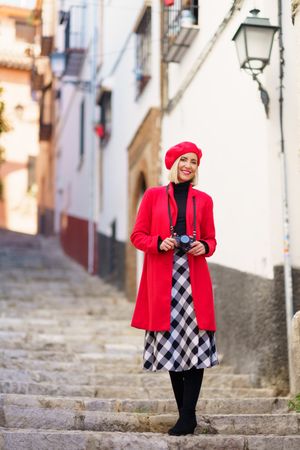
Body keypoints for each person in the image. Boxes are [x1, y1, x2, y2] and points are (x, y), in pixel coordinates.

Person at [130, 141, 218, 436]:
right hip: (163, 279)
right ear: (173, 164)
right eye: (184, 160)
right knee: (172, 346)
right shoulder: (153, 196)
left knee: (195, 344)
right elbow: (137, 235)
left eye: (193, 161)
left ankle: (188, 416)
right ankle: (185, 416)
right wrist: (158, 242)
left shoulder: (204, 200)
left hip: (193, 278)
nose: (188, 166)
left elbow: (212, 241)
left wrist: (202, 246)